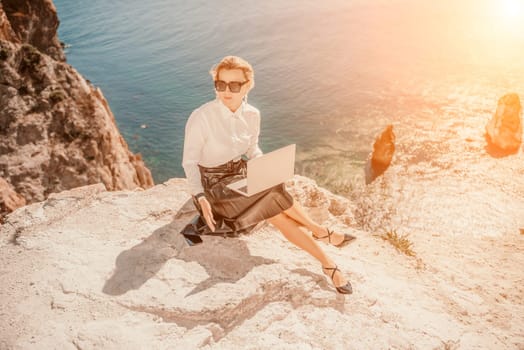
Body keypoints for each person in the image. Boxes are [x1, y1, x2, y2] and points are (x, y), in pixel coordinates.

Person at [182, 55, 355, 294]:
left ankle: (328, 264)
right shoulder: (202, 117)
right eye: (220, 84)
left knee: (276, 211)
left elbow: (252, 149)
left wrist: (265, 165)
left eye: (234, 85)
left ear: (248, 85)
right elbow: (189, 162)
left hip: (239, 175)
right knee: (272, 191)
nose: (226, 91)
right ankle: (321, 232)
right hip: (213, 189)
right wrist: (200, 196)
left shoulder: (253, 114)